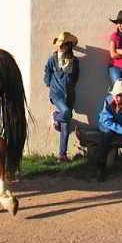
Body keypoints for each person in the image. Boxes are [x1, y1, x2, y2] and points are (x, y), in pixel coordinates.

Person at [43, 31, 80, 161]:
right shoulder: (53, 59)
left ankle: (62, 154)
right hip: (56, 94)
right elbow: (47, 71)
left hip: (69, 95)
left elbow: (76, 76)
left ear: (68, 46)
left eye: (64, 44)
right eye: (60, 44)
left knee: (65, 124)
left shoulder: (74, 61)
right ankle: (55, 116)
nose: (61, 46)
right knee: (66, 112)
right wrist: (48, 83)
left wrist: (71, 86)